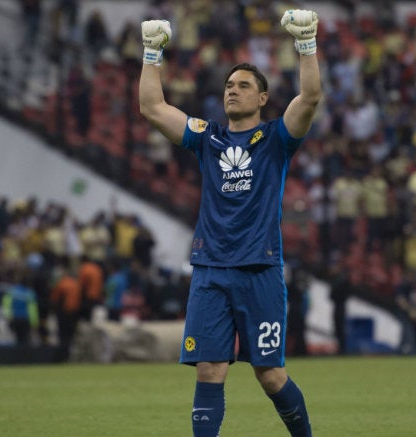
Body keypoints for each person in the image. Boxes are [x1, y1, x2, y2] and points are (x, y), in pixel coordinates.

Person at [138, 9, 321, 437]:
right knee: (209, 369)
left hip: (259, 268)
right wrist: (151, 54)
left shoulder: (276, 139)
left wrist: (306, 44)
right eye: (228, 86)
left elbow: (309, 98)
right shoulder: (207, 136)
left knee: (270, 375)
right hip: (211, 268)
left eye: (243, 86)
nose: (232, 91)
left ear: (262, 98)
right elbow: (151, 108)